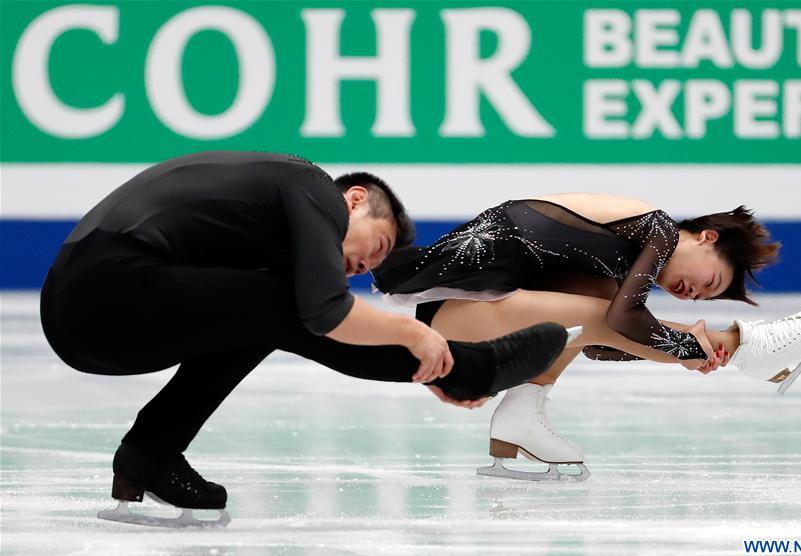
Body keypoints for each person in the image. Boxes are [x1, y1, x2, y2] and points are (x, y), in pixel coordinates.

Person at [39, 152, 575, 526]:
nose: (364, 267)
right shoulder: (311, 187)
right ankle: (469, 369)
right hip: (103, 294)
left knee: (261, 313)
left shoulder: (266, 217)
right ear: (355, 199)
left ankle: (148, 456)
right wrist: (417, 337)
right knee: (283, 304)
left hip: (88, 313)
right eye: (377, 245)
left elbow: (305, 310)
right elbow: (324, 313)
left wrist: (417, 358)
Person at [373, 194, 801, 480]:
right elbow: (619, 324)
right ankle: (747, 347)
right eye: (710, 282)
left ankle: (520, 416)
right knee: (607, 315)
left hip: (464, 318)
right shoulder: (655, 229)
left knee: (592, 319)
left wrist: (680, 350)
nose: (692, 294)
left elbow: (600, 346)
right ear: (707, 238)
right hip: (447, 315)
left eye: (702, 300)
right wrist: (685, 349)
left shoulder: (614, 266)